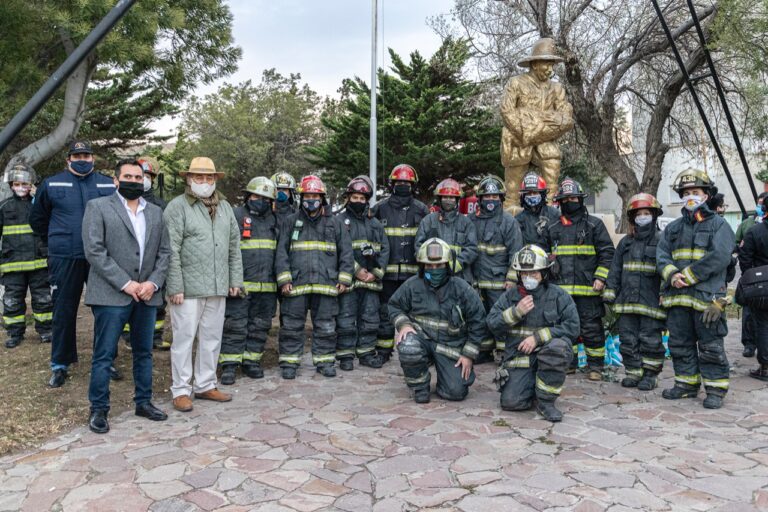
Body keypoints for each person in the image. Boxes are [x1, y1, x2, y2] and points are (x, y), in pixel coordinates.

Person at [81, 159, 171, 433]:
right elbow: (94, 251)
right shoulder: (98, 207)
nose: (134, 180)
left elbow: (165, 252)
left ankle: (143, 402)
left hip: (146, 295)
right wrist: (126, 283)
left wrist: (153, 283)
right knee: (104, 354)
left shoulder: (155, 212)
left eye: (138, 176)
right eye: (128, 176)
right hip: (112, 295)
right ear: (116, 180)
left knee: (144, 352)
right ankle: (99, 409)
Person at [30, 140, 117, 388]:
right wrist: (57, 242)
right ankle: (60, 364)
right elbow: (38, 220)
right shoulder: (51, 183)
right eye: (77, 155)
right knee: (63, 310)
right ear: (68, 159)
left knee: (105, 311)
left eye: (86, 156)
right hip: (65, 257)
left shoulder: (106, 183)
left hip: (100, 256)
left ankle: (106, 360)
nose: (82, 159)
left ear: (93, 159)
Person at [164, 157, 243, 413]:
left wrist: (235, 280)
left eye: (209, 177)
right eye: (199, 177)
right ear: (188, 178)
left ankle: (206, 384)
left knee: (211, 338)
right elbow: (170, 249)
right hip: (187, 288)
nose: (204, 182)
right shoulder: (177, 207)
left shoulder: (225, 207)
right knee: (184, 339)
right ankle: (181, 390)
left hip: (217, 285)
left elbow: (234, 247)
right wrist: (174, 285)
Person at [657, 169, 735, 409]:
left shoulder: (719, 225)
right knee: (680, 345)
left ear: (706, 195)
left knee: (710, 346)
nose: (690, 196)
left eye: (696, 192)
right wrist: (671, 275)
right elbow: (662, 255)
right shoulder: (673, 228)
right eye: (686, 193)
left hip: (707, 300)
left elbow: (720, 257)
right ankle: (685, 385)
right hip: (678, 298)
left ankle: (715, 389)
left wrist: (688, 276)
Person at [487, 244, 578, 422]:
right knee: (511, 402)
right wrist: (515, 312)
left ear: (544, 273)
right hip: (520, 359)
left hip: (549, 354)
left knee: (558, 348)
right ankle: (532, 386)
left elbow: (573, 327)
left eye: (534, 273)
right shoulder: (510, 296)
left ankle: (546, 402)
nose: (528, 277)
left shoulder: (559, 296)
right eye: (524, 273)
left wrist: (538, 337)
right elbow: (491, 323)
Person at [275, 174, 353, 379]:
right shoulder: (290, 221)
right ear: (301, 197)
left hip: (326, 285)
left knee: (326, 326)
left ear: (323, 198)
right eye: (307, 195)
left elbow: (346, 252)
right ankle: (290, 363)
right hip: (296, 285)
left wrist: (344, 279)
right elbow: (281, 252)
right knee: (291, 326)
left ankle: (325, 361)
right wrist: (284, 279)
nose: (311, 200)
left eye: (315, 195)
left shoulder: (335, 223)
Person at [389, 237, 484, 403]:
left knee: (455, 393)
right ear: (422, 266)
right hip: (422, 340)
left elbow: (479, 321)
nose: (434, 270)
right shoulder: (412, 285)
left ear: (447, 265)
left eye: (439, 266)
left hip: (449, 346)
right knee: (408, 346)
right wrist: (403, 325)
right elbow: (394, 306)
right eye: (429, 266)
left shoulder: (462, 289)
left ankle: (445, 377)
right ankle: (420, 387)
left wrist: (468, 354)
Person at [545, 178, 615, 380]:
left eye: (574, 197)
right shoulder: (552, 228)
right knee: (566, 329)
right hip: (561, 293)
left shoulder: (594, 225)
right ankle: (569, 363)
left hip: (588, 290)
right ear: (560, 201)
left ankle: (596, 367)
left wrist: (601, 278)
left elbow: (608, 253)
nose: (570, 201)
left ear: (581, 199)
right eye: (566, 199)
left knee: (592, 329)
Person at [218, 177, 280, 384]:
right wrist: (228, 281)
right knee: (234, 325)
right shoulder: (234, 216)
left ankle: (251, 361)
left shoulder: (276, 220)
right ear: (247, 196)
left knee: (260, 326)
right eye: (255, 196)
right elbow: (223, 250)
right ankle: (229, 365)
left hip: (268, 287)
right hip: (239, 286)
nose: (259, 200)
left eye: (265, 198)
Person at [603, 194, 666, 390]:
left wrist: (666, 293)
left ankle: (650, 375)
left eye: (647, 213)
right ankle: (633, 372)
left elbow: (667, 269)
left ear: (654, 216)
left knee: (650, 340)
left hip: (651, 303)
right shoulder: (625, 243)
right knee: (628, 339)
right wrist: (610, 292)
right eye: (638, 214)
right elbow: (615, 269)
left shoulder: (662, 241)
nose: (642, 217)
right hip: (626, 302)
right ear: (632, 218)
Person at [500, 38, 574, 204]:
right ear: (534, 64)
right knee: (514, 177)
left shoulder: (556, 88)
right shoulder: (516, 83)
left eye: (552, 65)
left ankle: (550, 203)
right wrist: (523, 132)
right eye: (546, 64)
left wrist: (535, 125)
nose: (549, 70)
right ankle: (511, 205)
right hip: (519, 140)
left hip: (545, 140)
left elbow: (565, 116)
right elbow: (507, 111)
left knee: (553, 161)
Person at [372, 164, 429, 362]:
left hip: (414, 275)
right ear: (392, 184)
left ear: (413, 185)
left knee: (418, 314)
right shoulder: (380, 209)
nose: (403, 185)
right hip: (387, 274)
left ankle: (421, 353)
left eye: (407, 182)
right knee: (385, 312)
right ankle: (383, 352)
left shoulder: (422, 210)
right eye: (399, 182)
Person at [336, 176, 390, 370]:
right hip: (350, 281)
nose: (358, 201)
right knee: (346, 319)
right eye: (355, 197)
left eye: (362, 198)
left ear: (367, 200)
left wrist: (375, 273)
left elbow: (385, 249)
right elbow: (339, 250)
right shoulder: (339, 221)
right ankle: (345, 356)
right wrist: (357, 271)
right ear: (348, 198)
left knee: (370, 319)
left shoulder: (374, 224)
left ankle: (366, 353)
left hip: (371, 282)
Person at [470, 175, 523, 363]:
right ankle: (483, 351)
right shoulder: (471, 221)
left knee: (501, 317)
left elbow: (515, 252)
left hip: (499, 282)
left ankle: (503, 351)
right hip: (477, 281)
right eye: (487, 197)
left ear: (501, 199)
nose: (490, 200)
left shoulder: (509, 222)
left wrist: (512, 278)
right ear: (480, 199)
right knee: (479, 316)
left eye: (494, 197)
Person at [0, 164, 52, 348]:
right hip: (12, 264)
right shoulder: (4, 207)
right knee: (12, 301)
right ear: (11, 185)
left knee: (43, 299)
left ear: (31, 184)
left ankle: (46, 330)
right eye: (17, 183)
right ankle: (15, 333)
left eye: (25, 183)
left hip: (39, 263)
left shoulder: (40, 205)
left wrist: (39, 198)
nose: (21, 187)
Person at [120, 156, 169, 350]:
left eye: (148, 175)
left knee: (158, 301)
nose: (145, 179)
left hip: (154, 263)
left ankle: (155, 336)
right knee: (128, 300)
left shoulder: (161, 206)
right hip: (130, 262)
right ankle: (128, 336)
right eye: (142, 175)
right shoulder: (121, 203)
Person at [415, 178, 478, 283]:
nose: (448, 200)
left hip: (460, 277)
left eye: (452, 197)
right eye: (445, 197)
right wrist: (434, 266)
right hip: (433, 276)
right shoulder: (428, 221)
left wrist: (454, 265)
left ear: (457, 199)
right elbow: (419, 246)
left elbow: (472, 249)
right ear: (440, 198)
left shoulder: (466, 223)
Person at [736, 192, 768, 358]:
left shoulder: (755, 231)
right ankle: (751, 346)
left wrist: (751, 277)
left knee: (762, 323)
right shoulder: (751, 227)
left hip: (760, 284)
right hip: (759, 282)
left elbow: (744, 257)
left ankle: (765, 365)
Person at [515, 171, 560, 247]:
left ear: (542, 194)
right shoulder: (518, 219)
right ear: (523, 196)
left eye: (535, 192)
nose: (532, 195)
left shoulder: (554, 214)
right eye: (529, 193)